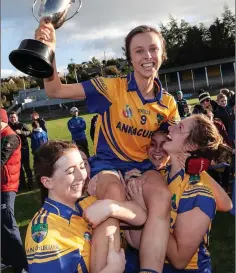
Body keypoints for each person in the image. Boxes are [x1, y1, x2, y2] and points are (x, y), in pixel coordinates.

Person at [35, 22, 181, 273]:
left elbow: (171, 148)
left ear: (162, 54)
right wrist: (49, 49)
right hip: (108, 163)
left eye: (153, 49)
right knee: (112, 193)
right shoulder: (111, 87)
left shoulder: (168, 103)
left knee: (162, 196)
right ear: (130, 58)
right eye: (139, 51)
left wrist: (154, 167)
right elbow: (54, 89)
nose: (147, 56)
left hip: (142, 166)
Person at [125, 115, 232, 273]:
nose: (170, 128)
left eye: (179, 127)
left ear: (192, 145)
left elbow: (179, 259)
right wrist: (132, 198)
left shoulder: (199, 193)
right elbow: (137, 242)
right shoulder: (161, 176)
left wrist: (148, 213)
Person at [25, 140, 148, 273]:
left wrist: (111, 207)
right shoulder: (45, 234)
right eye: (71, 171)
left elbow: (140, 216)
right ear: (48, 182)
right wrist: (112, 269)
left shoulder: (88, 203)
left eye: (82, 166)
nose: (82, 176)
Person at [1, 109, 28, 273]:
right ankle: (7, 259)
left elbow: (1, 159)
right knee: (1, 225)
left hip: (6, 186)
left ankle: (21, 265)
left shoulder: (10, 136)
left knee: (8, 223)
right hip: (1, 185)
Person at [8, 111, 33, 190]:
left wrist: (21, 132)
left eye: (14, 117)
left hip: (24, 149)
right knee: (19, 168)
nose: (13, 119)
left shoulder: (22, 125)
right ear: (9, 118)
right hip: (14, 151)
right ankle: (22, 184)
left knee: (27, 167)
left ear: (17, 117)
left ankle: (30, 184)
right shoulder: (8, 127)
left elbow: (30, 134)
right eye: (11, 117)